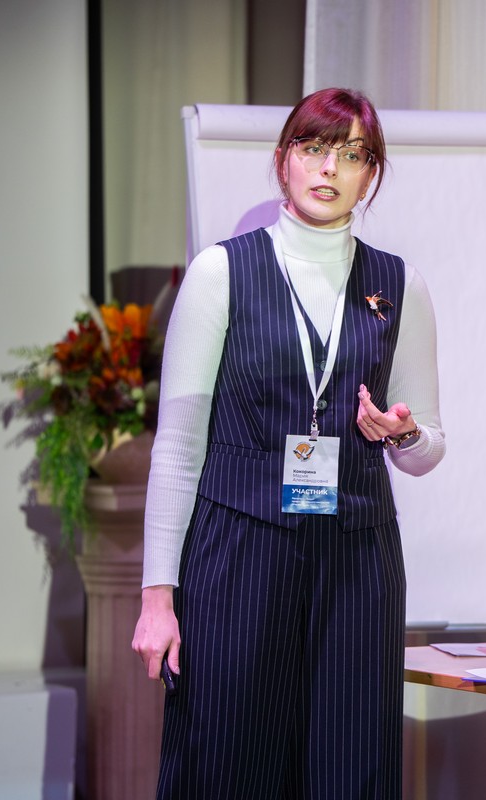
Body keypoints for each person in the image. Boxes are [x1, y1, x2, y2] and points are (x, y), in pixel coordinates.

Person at [131, 87, 446, 799]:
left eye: (352, 155)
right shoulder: (221, 273)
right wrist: (157, 599)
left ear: (370, 174)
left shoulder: (399, 285)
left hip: (357, 560)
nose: (329, 168)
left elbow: (428, 447)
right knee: (226, 765)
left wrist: (403, 432)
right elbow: (177, 447)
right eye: (314, 148)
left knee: (351, 770)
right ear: (283, 160)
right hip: (238, 551)